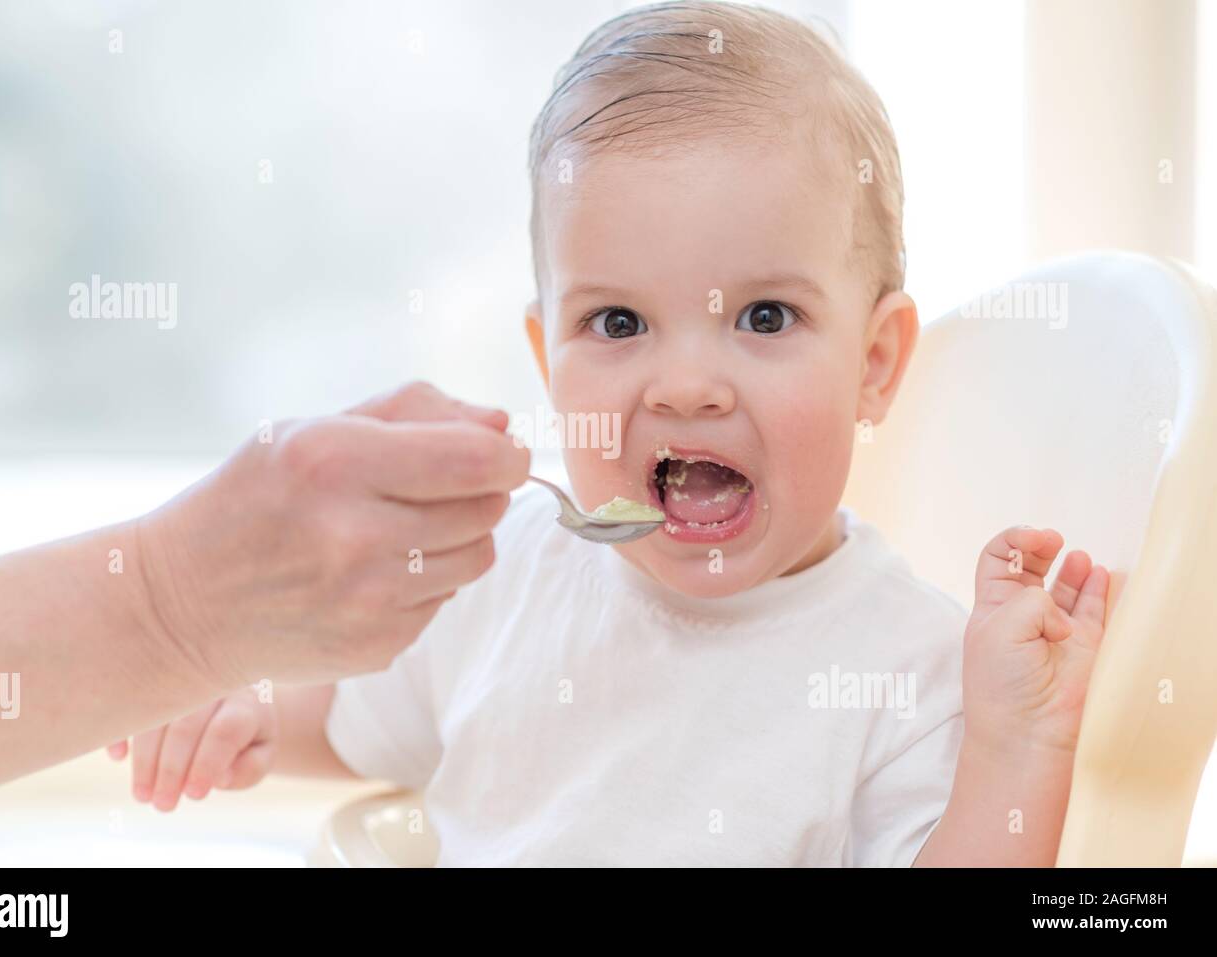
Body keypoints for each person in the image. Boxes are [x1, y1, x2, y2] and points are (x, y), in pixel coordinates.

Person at [111, 2, 1111, 866]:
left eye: (763, 317)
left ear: (874, 363)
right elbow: (360, 720)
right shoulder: (494, 572)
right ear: (549, 362)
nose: (683, 387)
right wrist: (241, 713)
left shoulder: (913, 671)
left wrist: (1016, 751)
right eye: (619, 323)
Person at [0, 381, 530, 819]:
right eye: (613, 323)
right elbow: (366, 718)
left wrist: (172, 619)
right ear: (543, 345)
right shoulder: (516, 574)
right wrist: (237, 698)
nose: (633, 392)